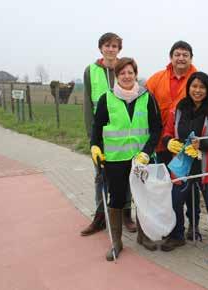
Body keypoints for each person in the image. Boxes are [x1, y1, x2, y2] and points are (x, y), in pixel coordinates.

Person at [90, 57, 162, 261]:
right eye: (122, 73)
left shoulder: (147, 97)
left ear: (135, 74)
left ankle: (144, 235)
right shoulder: (107, 98)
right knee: (118, 198)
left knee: (142, 197)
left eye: (130, 72)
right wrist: (94, 146)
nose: (127, 76)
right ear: (117, 76)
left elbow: (156, 128)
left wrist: (147, 151)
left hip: (142, 158)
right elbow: (97, 126)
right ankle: (116, 241)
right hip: (115, 159)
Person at [161, 72, 208, 265]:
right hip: (182, 164)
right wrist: (168, 141)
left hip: (207, 166)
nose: (197, 91)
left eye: (202, 87)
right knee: (175, 200)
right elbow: (166, 131)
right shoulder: (178, 109)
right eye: (194, 86)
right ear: (188, 88)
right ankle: (177, 235)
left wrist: (203, 144)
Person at [81, 33, 137, 236]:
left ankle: (126, 215)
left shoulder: (124, 69)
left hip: (124, 137)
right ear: (101, 48)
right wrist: (92, 138)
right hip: (101, 136)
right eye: (107, 45)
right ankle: (100, 217)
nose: (111, 49)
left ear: (119, 49)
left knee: (127, 175)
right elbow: (88, 104)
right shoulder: (91, 71)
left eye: (115, 46)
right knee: (100, 177)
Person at [146, 40, 200, 240]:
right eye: (177, 54)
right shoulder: (156, 79)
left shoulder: (196, 79)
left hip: (187, 146)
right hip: (161, 142)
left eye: (185, 54)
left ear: (191, 58)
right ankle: (170, 226)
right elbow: (145, 104)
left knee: (189, 187)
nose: (181, 58)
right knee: (166, 187)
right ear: (171, 57)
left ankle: (193, 225)